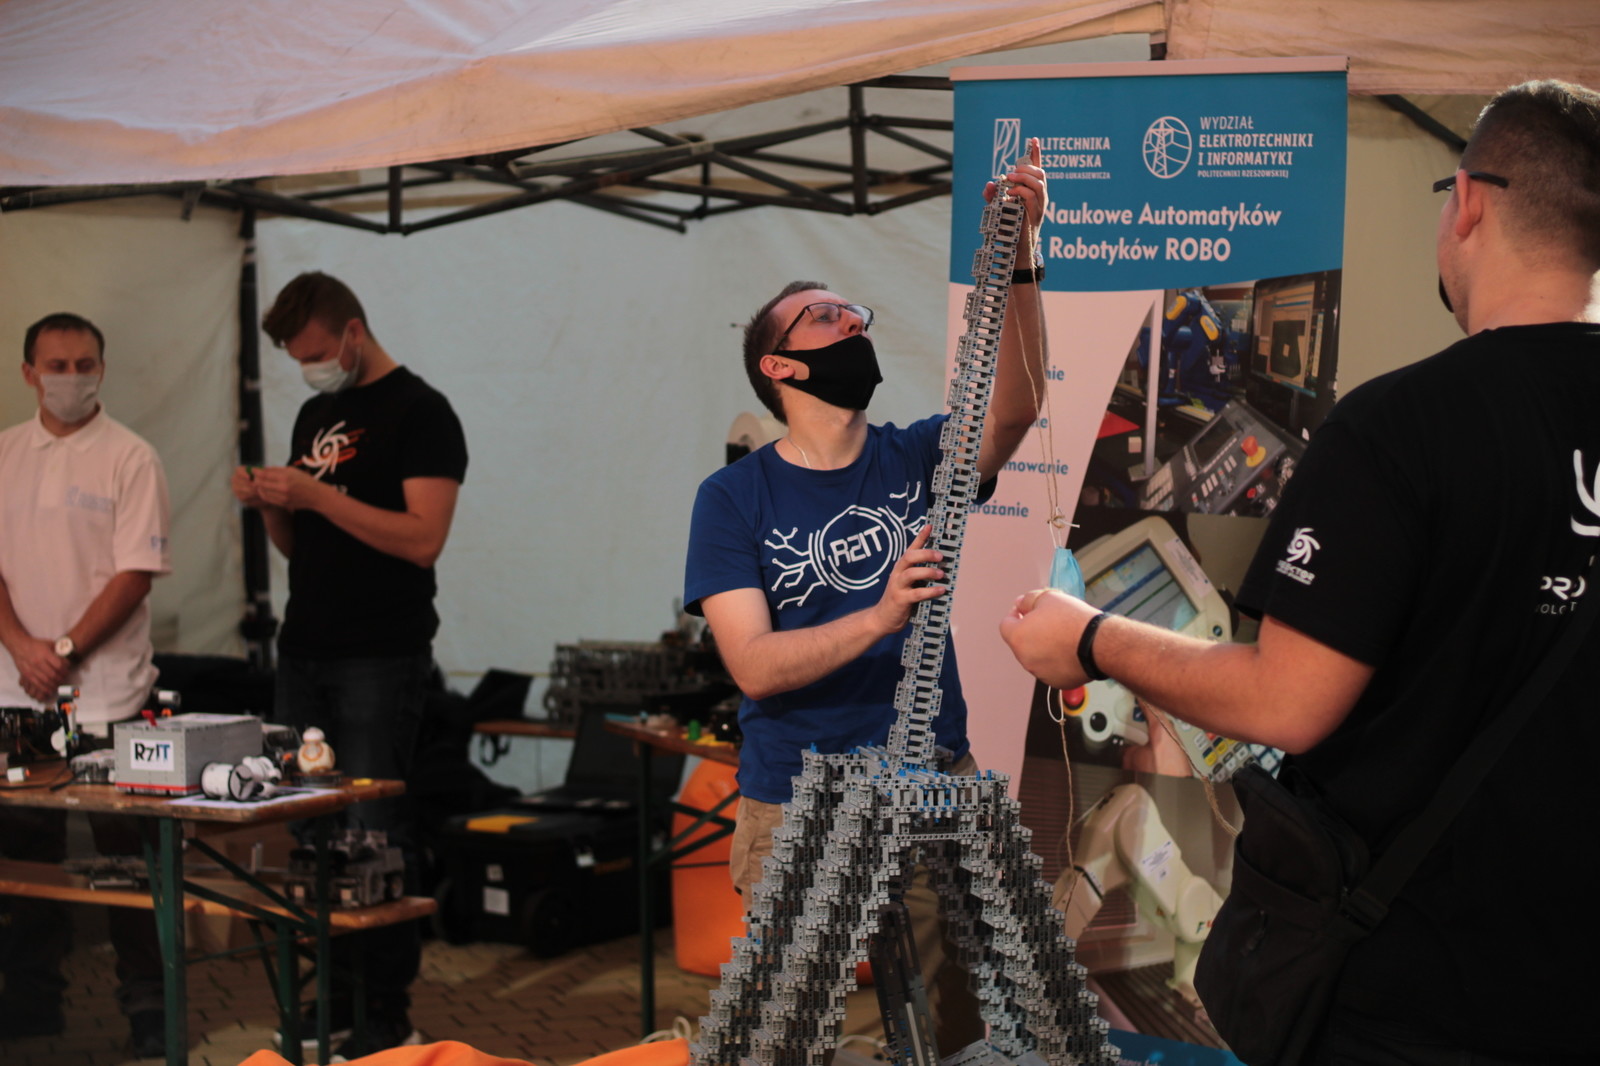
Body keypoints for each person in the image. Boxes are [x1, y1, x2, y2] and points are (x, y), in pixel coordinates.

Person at [1000, 80, 1600, 1066]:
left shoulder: (1400, 427)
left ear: (1469, 204)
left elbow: (1286, 701)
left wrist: (1091, 637)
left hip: (1406, 991)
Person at [684, 141, 1048, 1049]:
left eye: (855, 313)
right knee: (793, 1038)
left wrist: (1021, 260)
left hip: (931, 782)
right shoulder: (732, 498)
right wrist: (881, 615)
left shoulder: (914, 455)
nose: (851, 322)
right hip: (797, 800)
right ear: (779, 367)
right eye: (823, 317)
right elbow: (752, 665)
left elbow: (1013, 408)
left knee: (942, 1034)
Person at [232, 272, 467, 1056]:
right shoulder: (315, 414)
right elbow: (303, 547)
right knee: (309, 829)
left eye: (316, 354)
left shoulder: (422, 413)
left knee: (373, 829)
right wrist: (272, 503)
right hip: (305, 649)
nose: (310, 369)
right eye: (298, 359)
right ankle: (330, 993)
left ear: (353, 334)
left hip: (380, 654)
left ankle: (384, 1008)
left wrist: (317, 496)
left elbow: (422, 538)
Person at [0, 312, 170, 1056]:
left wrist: (63, 651)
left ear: (102, 368)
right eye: (57, 365)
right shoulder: (4, 454)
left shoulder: (131, 457)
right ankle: (32, 1003)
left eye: (84, 364)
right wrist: (22, 647)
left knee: (126, 860)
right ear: (29, 373)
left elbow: (136, 573)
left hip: (109, 696)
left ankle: (151, 1010)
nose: (71, 378)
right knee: (25, 863)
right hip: (18, 696)